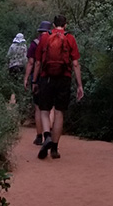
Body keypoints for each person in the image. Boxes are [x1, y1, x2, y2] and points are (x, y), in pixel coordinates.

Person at [33, 14, 83, 159]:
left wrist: (35, 81)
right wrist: (79, 85)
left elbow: (37, 62)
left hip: (46, 77)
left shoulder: (44, 38)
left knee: (44, 110)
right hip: (64, 78)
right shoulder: (70, 38)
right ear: (65, 25)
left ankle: (46, 135)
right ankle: (54, 149)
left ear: (53, 25)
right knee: (59, 112)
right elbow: (75, 64)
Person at [25, 19, 52, 145]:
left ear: (40, 31)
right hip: (52, 77)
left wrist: (27, 78)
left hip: (37, 78)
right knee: (49, 108)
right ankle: (49, 133)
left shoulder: (35, 44)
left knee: (38, 108)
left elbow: (31, 63)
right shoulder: (53, 42)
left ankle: (39, 136)